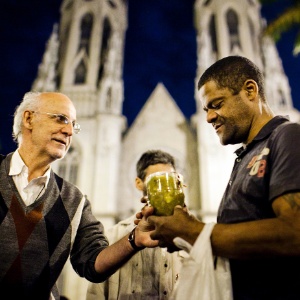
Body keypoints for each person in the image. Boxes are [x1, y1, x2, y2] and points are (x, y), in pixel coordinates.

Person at [145, 56, 300, 299]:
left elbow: (295, 233)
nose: (208, 118)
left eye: (217, 104)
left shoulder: (288, 136)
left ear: (250, 90)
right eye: (206, 109)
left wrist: (194, 231)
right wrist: (182, 229)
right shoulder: (245, 156)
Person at [0, 91, 157, 300]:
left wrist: (135, 238)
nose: (69, 131)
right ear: (28, 119)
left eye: (74, 125)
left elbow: (93, 263)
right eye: (61, 119)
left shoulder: (74, 201)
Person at [86, 150, 185, 300]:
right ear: (139, 183)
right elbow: (96, 293)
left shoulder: (191, 236)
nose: (165, 186)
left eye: (170, 179)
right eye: (157, 180)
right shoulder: (113, 236)